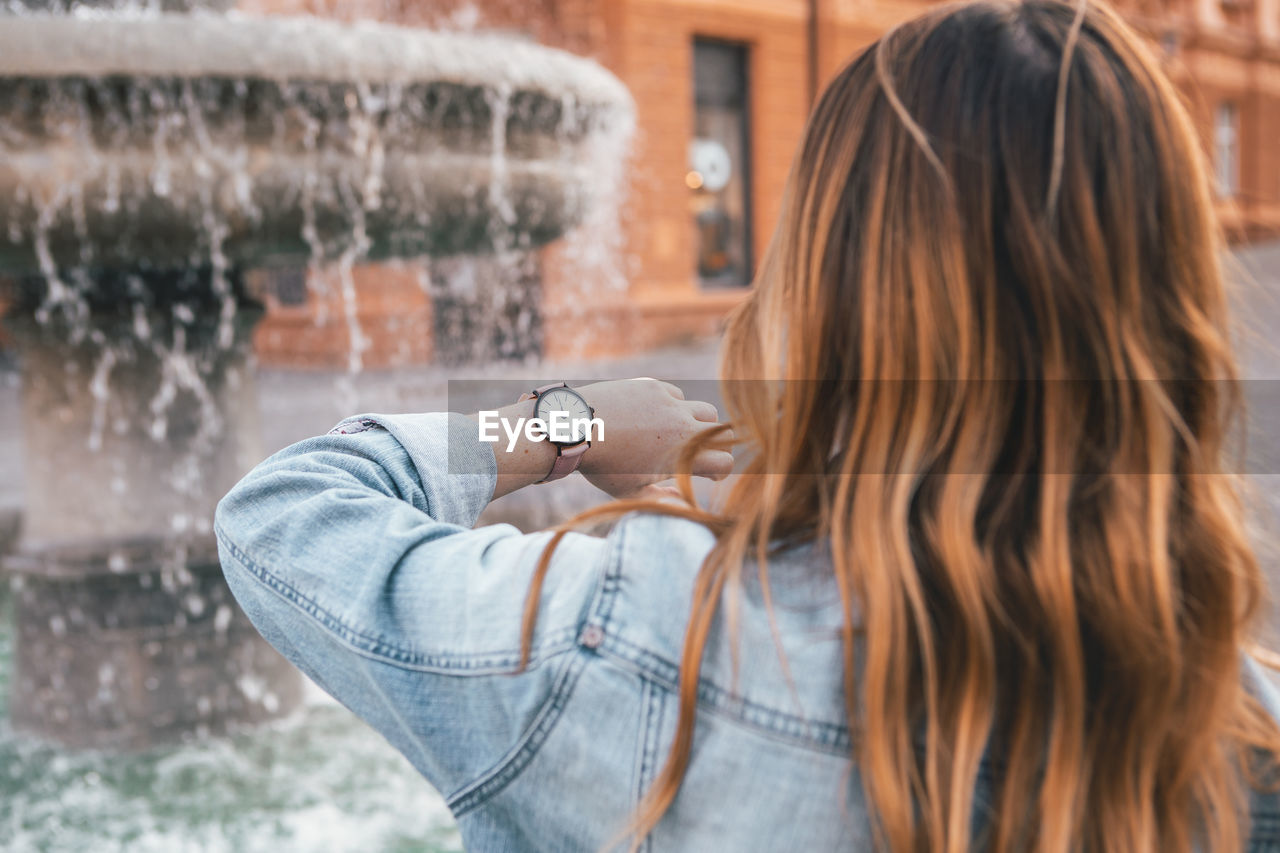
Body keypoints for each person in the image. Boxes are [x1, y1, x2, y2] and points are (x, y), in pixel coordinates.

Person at [214, 0, 1280, 849]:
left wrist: (560, 425)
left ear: (829, 276)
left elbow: (287, 511)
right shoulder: (1227, 716)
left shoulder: (643, 632)